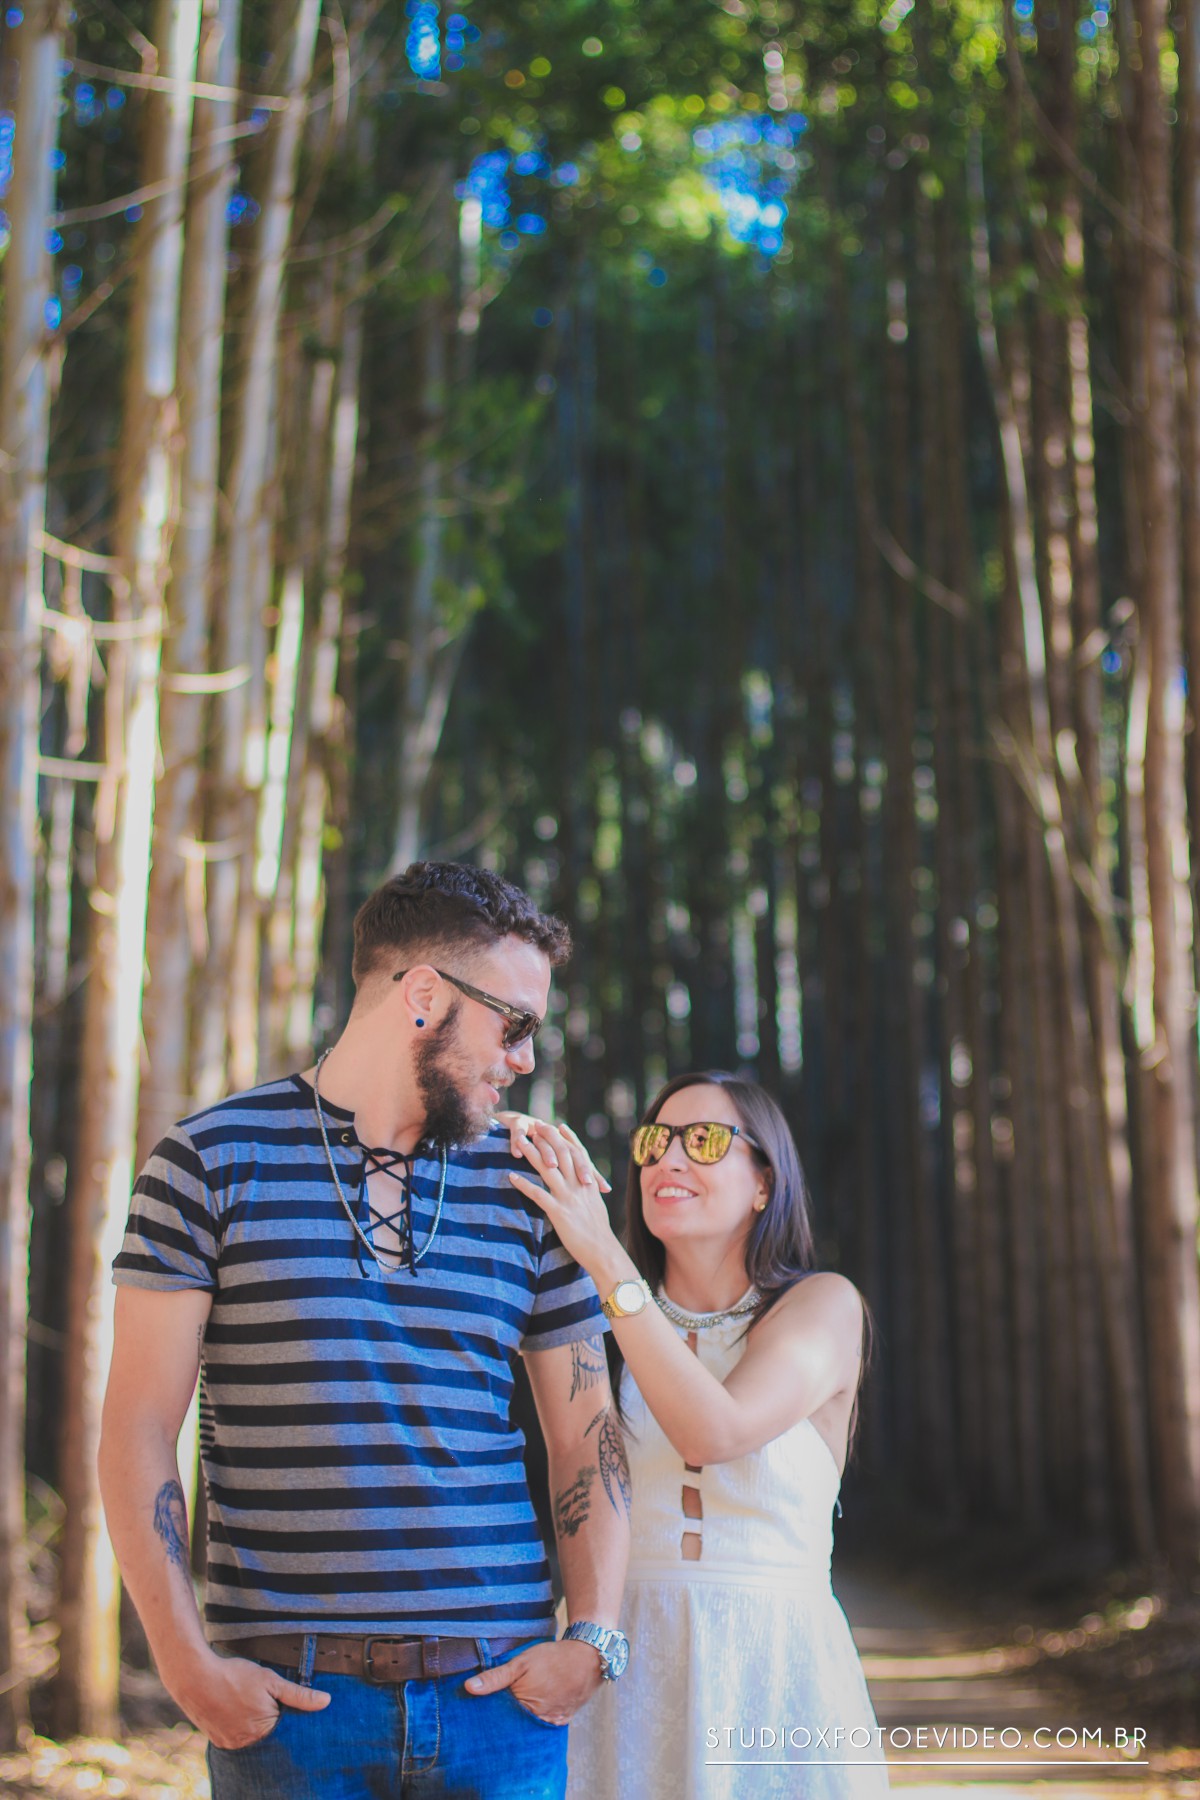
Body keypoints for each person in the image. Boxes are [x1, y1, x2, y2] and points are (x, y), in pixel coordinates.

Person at [99, 862, 632, 1800]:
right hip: (292, 1709)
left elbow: (588, 1432)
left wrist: (592, 1639)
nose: (524, 1060)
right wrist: (185, 1667)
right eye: (515, 1025)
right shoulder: (207, 1162)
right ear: (424, 996)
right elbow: (139, 1428)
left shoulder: (533, 1184)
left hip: (501, 1702)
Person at [503, 1070, 889, 1800]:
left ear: (764, 1183)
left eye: (704, 1140)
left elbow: (715, 1430)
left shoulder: (824, 1306)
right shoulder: (595, 1320)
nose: (668, 1159)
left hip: (776, 1670)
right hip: (618, 1663)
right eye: (654, 1142)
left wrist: (604, 1257)